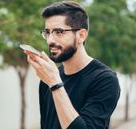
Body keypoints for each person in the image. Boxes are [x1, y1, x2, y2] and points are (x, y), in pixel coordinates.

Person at [24, 1, 120, 129]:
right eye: (47, 32)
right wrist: (52, 81)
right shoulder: (48, 80)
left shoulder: (105, 80)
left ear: (81, 35)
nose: (50, 40)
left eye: (59, 32)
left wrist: (55, 84)